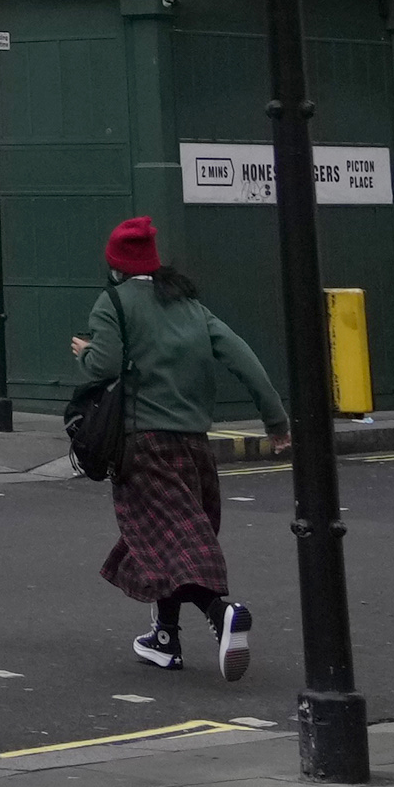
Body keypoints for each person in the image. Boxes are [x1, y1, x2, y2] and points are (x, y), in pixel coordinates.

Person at [68, 215, 283, 678]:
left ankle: (218, 612)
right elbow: (242, 356)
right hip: (193, 444)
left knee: (170, 541)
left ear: (116, 265)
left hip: (143, 444)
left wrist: (85, 352)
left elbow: (103, 366)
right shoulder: (187, 304)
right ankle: (164, 639)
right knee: (161, 537)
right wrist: (276, 419)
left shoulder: (113, 304)